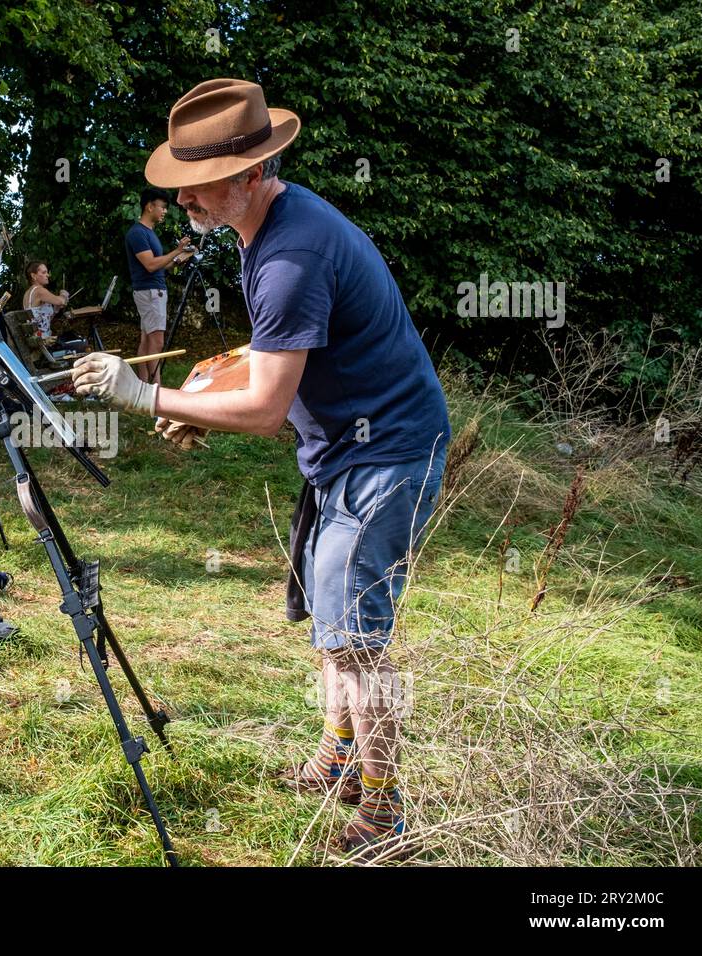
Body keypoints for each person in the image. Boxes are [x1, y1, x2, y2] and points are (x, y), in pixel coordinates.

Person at [71, 79, 451, 862]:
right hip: (342, 454)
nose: (184, 204)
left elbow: (268, 408)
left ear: (252, 171)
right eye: (178, 188)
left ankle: (385, 816)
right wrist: (204, 387)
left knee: (355, 639)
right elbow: (274, 352)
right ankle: (339, 759)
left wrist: (145, 394)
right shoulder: (269, 224)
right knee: (328, 622)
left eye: (198, 186)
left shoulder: (290, 252)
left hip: (385, 455)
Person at [125, 187, 195, 384]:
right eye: (162, 207)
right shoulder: (138, 233)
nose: (164, 211)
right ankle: (157, 387)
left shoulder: (149, 233)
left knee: (147, 340)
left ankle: (144, 384)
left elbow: (159, 266)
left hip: (151, 290)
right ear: (149, 207)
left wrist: (181, 258)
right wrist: (177, 250)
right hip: (150, 293)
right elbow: (150, 265)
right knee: (157, 341)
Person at [21, 260, 69, 339]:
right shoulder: (39, 290)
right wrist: (63, 295)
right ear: (33, 276)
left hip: (34, 338)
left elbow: (41, 319)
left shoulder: (28, 292)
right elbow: (60, 301)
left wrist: (55, 309)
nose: (48, 275)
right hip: (42, 339)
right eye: (44, 273)